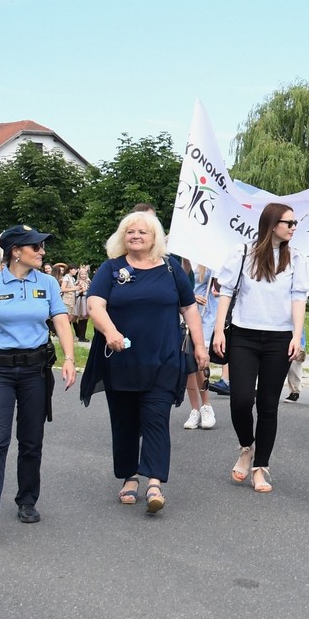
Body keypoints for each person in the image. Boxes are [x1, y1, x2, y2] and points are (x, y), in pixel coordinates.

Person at [0, 224, 77, 537]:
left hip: (35, 371)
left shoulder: (47, 283)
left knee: (31, 440)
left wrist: (69, 358)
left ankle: (27, 500)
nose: (42, 251)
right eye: (36, 247)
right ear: (16, 251)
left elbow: (61, 321)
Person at [82, 210, 204, 515]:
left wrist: (200, 346)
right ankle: (129, 476)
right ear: (122, 236)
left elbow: (189, 308)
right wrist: (110, 331)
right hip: (122, 360)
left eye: (142, 232)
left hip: (164, 359)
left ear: (155, 238)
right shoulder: (111, 269)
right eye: (130, 231)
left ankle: (154, 482)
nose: (135, 236)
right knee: (125, 421)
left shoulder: (170, 269)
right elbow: (95, 305)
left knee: (156, 419)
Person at [211, 202, 308, 493]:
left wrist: (297, 336)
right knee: (241, 400)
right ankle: (246, 447)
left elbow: (299, 298)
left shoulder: (296, 258)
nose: (293, 227)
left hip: (279, 339)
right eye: (289, 223)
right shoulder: (243, 253)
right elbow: (226, 292)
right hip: (244, 336)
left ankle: (260, 467)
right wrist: (219, 330)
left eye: (295, 223)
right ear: (272, 224)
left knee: (268, 404)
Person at [181, 258, 216, 432]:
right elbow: (176, 287)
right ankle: (194, 409)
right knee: (189, 364)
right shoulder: (177, 259)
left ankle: (206, 405)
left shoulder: (207, 257)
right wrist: (190, 297)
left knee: (200, 362)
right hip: (183, 315)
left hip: (204, 315)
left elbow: (221, 288)